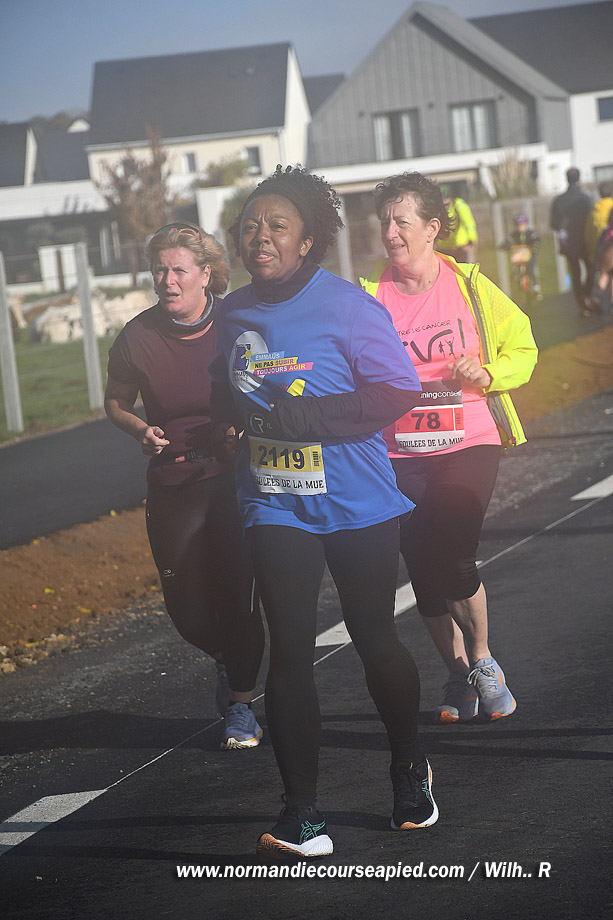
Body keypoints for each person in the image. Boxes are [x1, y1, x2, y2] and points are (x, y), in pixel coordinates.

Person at [211, 165, 437, 860]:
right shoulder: (232, 313)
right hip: (274, 502)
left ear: (307, 240)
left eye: (277, 226)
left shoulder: (348, 306)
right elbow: (227, 390)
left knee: (374, 637)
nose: (261, 236)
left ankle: (409, 765)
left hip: (357, 501)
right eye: (251, 225)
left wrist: (302, 417)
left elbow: (396, 389)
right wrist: (225, 425)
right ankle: (302, 815)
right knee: (290, 648)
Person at [361, 172, 537, 726]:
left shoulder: (470, 287)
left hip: (469, 438)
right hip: (400, 449)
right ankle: (458, 672)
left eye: (402, 221)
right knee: (420, 562)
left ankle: (483, 660)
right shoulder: (368, 297)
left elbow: (524, 346)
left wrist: (487, 372)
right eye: (385, 221)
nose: (391, 232)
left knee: (455, 548)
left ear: (432, 227)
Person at [104, 222, 264, 750]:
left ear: (205, 274)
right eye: (159, 270)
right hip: (173, 482)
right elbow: (115, 402)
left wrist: (242, 427)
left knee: (238, 595)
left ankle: (241, 706)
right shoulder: (137, 337)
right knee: (187, 611)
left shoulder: (236, 322)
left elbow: (268, 385)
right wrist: (139, 430)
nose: (167, 280)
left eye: (178, 270)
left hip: (235, 478)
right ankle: (225, 658)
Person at [549, 167, 592, 315]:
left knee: (575, 273)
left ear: (566, 179)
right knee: (592, 269)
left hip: (568, 242)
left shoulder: (559, 200)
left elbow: (553, 224)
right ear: (579, 179)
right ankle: (587, 294)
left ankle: (581, 304)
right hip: (585, 240)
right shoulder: (585, 199)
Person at [502, 213, 542, 300]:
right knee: (514, 271)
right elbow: (508, 241)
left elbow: (537, 240)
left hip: (529, 256)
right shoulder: (514, 235)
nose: (521, 227)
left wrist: (535, 246)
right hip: (518, 256)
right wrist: (504, 246)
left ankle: (536, 288)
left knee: (531, 270)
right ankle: (515, 288)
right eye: (519, 225)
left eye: (523, 225)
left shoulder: (531, 233)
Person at [435, 184, 478, 262]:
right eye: (442, 204)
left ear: (451, 199)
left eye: (447, 204)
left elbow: (468, 223)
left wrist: (471, 240)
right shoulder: (435, 208)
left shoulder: (458, 205)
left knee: (461, 268)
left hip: (460, 246)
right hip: (443, 248)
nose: (445, 207)